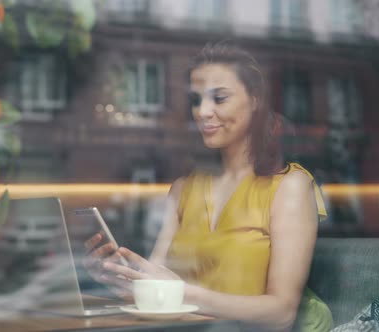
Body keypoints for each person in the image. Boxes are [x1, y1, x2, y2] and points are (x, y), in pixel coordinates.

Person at [84, 42, 333, 332]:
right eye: (196, 99)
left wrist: (182, 293)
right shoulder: (182, 189)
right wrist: (119, 278)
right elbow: (158, 286)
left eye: (220, 98)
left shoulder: (290, 187)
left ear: (255, 99)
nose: (202, 112)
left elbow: (281, 313)